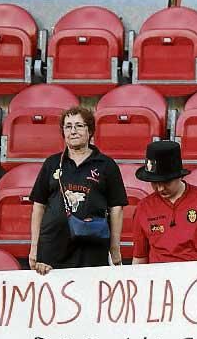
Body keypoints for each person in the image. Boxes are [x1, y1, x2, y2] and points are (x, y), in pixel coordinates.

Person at [29, 106, 127, 275]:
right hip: (53, 246)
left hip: (92, 248)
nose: (73, 131)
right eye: (68, 126)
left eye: (79, 126)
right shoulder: (51, 163)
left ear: (90, 131)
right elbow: (38, 206)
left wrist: (115, 246)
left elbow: (116, 208)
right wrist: (34, 247)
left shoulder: (106, 165)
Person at [131, 140, 197, 265]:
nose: (160, 188)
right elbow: (140, 258)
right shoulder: (143, 207)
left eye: (166, 182)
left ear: (179, 176)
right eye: (154, 183)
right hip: (160, 279)